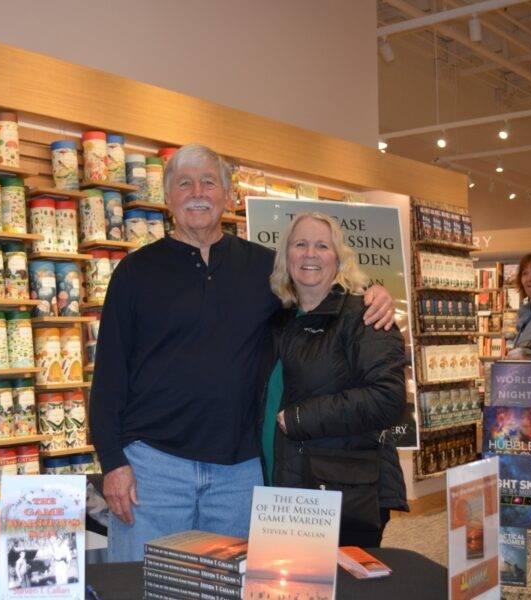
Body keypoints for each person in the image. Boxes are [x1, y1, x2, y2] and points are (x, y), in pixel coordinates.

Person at [89, 144, 397, 562]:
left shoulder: (265, 270)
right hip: (152, 472)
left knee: (232, 587)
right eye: (184, 183)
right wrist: (112, 463)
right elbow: (107, 378)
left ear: (228, 196)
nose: (197, 191)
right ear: (168, 198)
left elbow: (320, 291)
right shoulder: (134, 273)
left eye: (208, 182)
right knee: (143, 585)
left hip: (238, 475)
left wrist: (372, 295)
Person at [259, 212, 407, 547]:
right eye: (300, 244)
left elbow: (388, 398)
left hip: (340, 493)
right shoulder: (277, 321)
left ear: (338, 260)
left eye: (322, 246)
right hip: (279, 486)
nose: (310, 253)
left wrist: (301, 418)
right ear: (286, 257)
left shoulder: (365, 315)